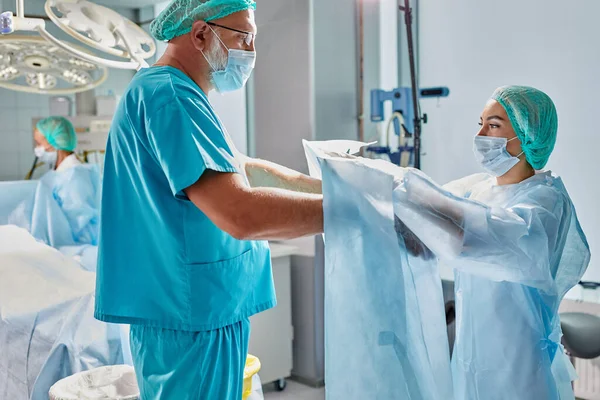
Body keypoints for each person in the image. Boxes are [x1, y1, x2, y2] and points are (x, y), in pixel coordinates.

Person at [94, 1, 323, 399]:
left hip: (201, 309)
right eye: (244, 38)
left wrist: (327, 187)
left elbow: (240, 168)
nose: (251, 52)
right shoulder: (170, 96)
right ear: (200, 33)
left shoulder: (176, 92)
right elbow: (240, 214)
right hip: (191, 315)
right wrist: (352, 212)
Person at [391, 85, 590, 399]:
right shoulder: (478, 190)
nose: (481, 134)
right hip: (471, 355)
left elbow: (489, 237)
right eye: (480, 123)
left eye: (494, 125)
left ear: (527, 136)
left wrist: (417, 199)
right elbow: (434, 211)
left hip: (518, 363)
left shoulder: (546, 201)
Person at [32, 116, 101, 246]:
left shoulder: (74, 177)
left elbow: (83, 229)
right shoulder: (58, 174)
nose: (37, 148)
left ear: (55, 143)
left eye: (39, 143)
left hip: (75, 253)